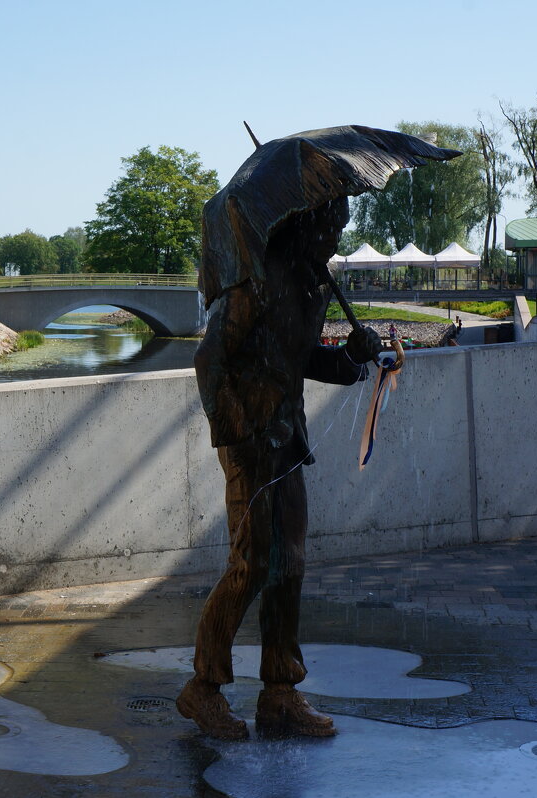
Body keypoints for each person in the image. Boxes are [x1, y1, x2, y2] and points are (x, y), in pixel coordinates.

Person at [179, 197, 383, 740]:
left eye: (341, 227)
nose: (335, 239)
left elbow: (301, 358)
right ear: (299, 223)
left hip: (288, 438)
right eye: (328, 226)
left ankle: (280, 693)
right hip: (250, 442)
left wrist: (352, 357)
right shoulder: (254, 283)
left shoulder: (310, 283)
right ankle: (203, 687)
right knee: (252, 562)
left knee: (288, 564)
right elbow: (210, 359)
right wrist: (238, 435)